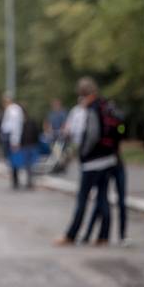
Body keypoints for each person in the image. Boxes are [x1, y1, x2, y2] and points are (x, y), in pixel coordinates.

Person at [56, 77, 118, 246]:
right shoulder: (104, 105)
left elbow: (91, 135)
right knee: (103, 198)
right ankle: (104, 236)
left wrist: (83, 152)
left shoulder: (91, 109)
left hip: (92, 163)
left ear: (83, 93)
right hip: (108, 160)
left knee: (82, 199)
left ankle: (71, 235)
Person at [0, 93, 25, 189]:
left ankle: (16, 181)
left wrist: (15, 140)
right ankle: (14, 180)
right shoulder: (10, 109)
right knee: (12, 160)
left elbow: (15, 126)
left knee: (14, 160)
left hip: (11, 137)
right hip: (9, 137)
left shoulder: (13, 110)